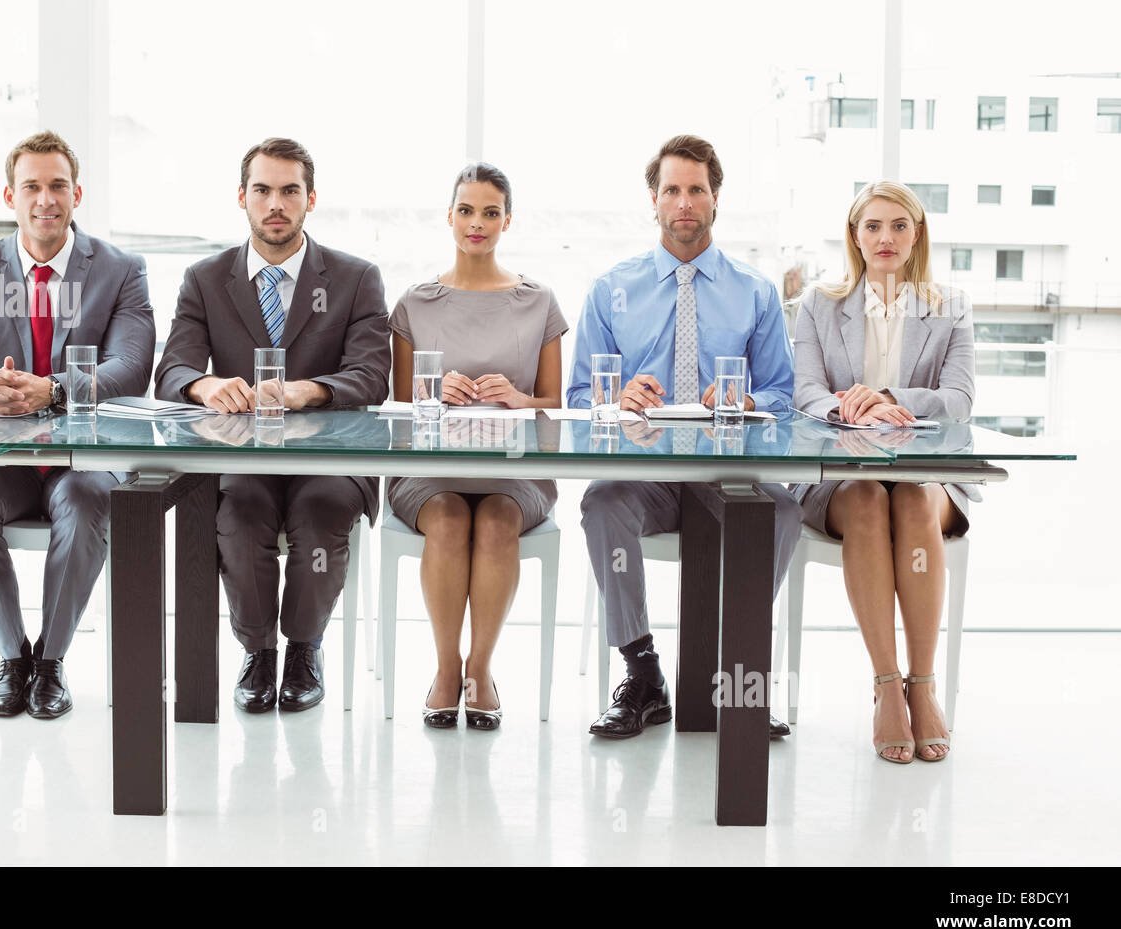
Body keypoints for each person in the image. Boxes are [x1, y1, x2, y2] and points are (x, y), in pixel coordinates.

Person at [567, 134, 802, 740]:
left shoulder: (755, 292)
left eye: (696, 190)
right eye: (672, 190)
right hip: (646, 474)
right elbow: (577, 399)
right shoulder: (610, 288)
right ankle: (642, 674)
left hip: (726, 473)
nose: (684, 203)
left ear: (716, 199)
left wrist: (744, 400)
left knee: (782, 511)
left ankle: (732, 673)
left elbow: (783, 394)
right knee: (600, 503)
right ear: (654, 200)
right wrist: (614, 400)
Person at [154, 137, 389, 714]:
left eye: (290, 191)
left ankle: (304, 649)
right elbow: (171, 372)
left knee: (322, 512)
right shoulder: (205, 279)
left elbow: (372, 376)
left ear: (311, 199)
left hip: (328, 459)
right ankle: (258, 651)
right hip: (244, 460)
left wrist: (306, 392)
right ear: (242, 197)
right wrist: (206, 386)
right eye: (263, 190)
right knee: (237, 513)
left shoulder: (357, 278)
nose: (275, 203)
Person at [0, 130, 156, 719]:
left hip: (84, 458)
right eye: (31, 186)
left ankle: (51, 663)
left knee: (84, 502)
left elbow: (131, 369)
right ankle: (13, 658)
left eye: (58, 185)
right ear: (10, 196)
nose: (45, 199)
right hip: (6, 460)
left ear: (77, 193)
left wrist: (53, 391)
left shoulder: (121, 270)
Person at [791, 180, 975, 764]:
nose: (886, 237)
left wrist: (892, 396)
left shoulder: (949, 305)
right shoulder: (820, 303)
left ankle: (924, 685)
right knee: (871, 499)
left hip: (926, 474)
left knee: (914, 500)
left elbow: (960, 398)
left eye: (899, 225)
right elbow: (805, 392)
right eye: (872, 226)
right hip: (844, 476)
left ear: (917, 233)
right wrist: (851, 406)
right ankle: (887, 684)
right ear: (854, 235)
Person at [388, 162, 567, 730]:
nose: (477, 223)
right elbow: (395, 404)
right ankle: (446, 669)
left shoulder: (538, 302)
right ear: (449, 216)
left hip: (514, 472)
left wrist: (519, 398)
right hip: (430, 470)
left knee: (493, 522)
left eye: (491, 212)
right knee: (445, 519)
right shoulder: (415, 303)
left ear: (507, 221)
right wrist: (433, 389)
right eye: (466, 210)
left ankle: (481, 670)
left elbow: (555, 403)